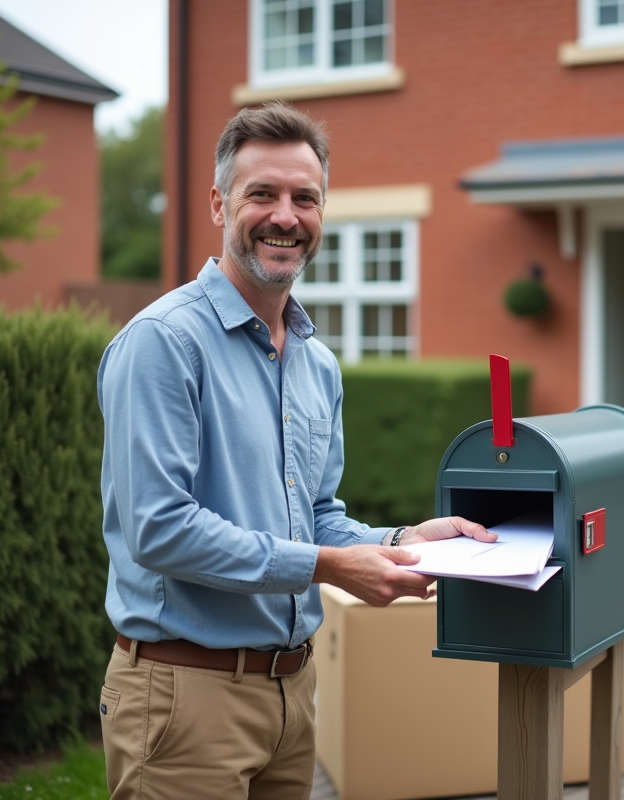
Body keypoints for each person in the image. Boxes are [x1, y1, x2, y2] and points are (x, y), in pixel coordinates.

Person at [96, 101, 494, 800]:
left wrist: (403, 542)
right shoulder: (163, 343)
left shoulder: (317, 365)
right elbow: (159, 528)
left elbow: (314, 514)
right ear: (220, 205)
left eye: (304, 198)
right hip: (184, 699)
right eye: (263, 194)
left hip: (292, 697)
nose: (286, 215)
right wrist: (334, 567)